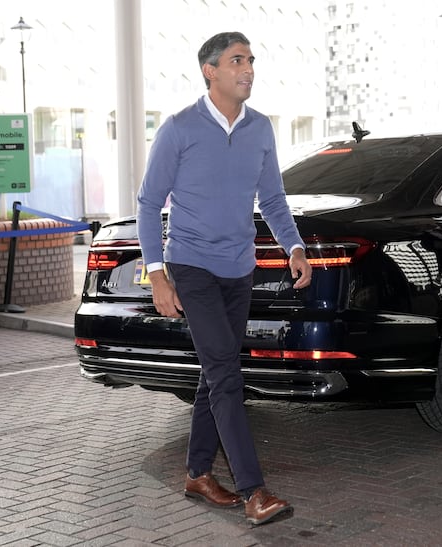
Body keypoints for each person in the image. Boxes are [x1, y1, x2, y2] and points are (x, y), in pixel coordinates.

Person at [136, 31, 312, 525]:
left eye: (251, 60)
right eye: (237, 61)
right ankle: (255, 491)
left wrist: (293, 246)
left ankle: (196, 471)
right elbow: (149, 203)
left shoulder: (259, 129)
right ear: (210, 71)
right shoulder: (179, 129)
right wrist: (157, 275)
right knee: (226, 376)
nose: (248, 69)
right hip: (191, 266)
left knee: (216, 374)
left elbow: (273, 199)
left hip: (239, 269)